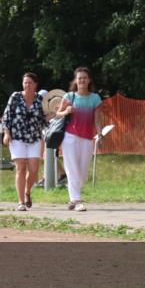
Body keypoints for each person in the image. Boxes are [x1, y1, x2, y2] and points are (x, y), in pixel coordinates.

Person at [56, 67, 104, 212]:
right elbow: (58, 114)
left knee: (82, 172)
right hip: (70, 137)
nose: (82, 80)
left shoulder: (95, 98)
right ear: (76, 81)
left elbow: (97, 119)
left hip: (87, 138)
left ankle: (73, 197)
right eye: (79, 78)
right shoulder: (69, 97)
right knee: (72, 169)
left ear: (89, 80)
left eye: (84, 78)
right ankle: (77, 200)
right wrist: (66, 111)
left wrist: (100, 135)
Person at [1, 72, 46, 211]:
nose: (27, 85)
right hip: (17, 137)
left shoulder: (40, 100)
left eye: (30, 83)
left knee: (33, 169)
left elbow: (45, 119)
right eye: (25, 82)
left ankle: (27, 192)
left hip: (34, 138)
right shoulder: (15, 97)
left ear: (35, 85)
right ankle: (20, 201)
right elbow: (6, 116)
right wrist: (6, 133)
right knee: (20, 168)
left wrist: (56, 113)